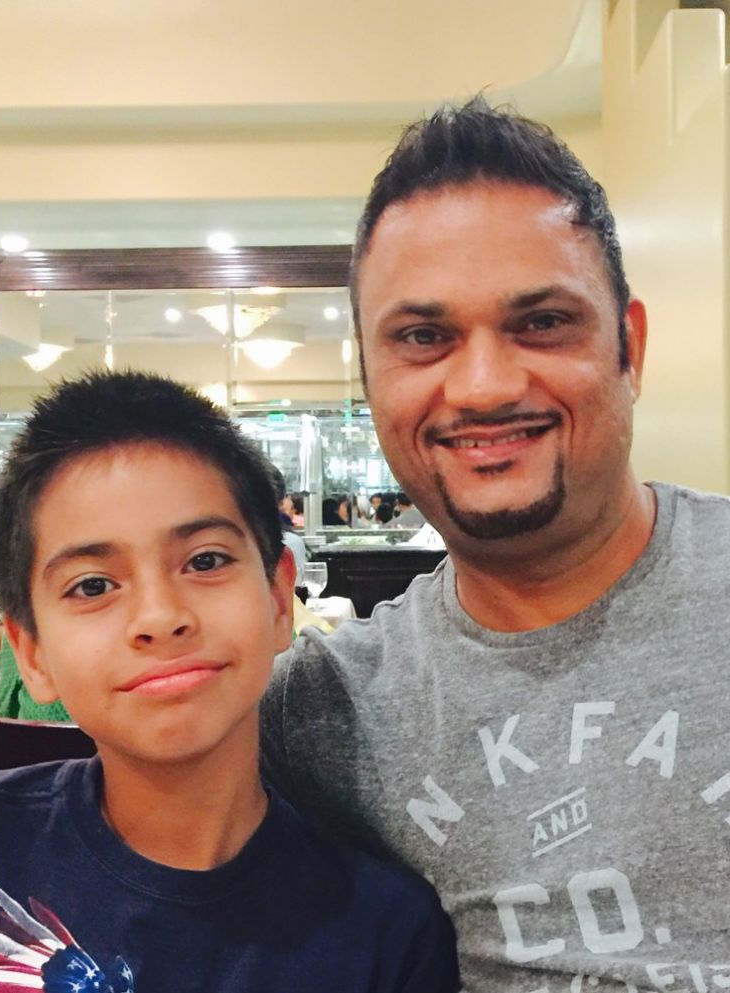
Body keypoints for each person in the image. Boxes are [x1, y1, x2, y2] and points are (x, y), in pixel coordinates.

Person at [261, 95, 730, 993]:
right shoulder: (319, 715)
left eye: (541, 322)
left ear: (629, 347)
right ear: (370, 377)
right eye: (424, 337)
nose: (482, 386)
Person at [0, 370, 458, 992]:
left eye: (205, 561)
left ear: (279, 600)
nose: (160, 618)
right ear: (32, 653)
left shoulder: (385, 931)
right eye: (93, 585)